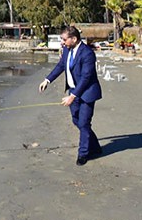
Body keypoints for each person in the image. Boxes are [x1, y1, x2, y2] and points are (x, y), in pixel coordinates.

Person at [38, 26, 102, 166]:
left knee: (84, 123)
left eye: (64, 39)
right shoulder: (67, 50)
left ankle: (83, 154)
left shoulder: (87, 54)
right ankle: (95, 146)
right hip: (73, 91)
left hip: (87, 92)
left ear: (74, 39)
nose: (62, 42)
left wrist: (72, 96)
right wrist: (47, 80)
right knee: (76, 120)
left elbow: (86, 77)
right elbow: (61, 66)